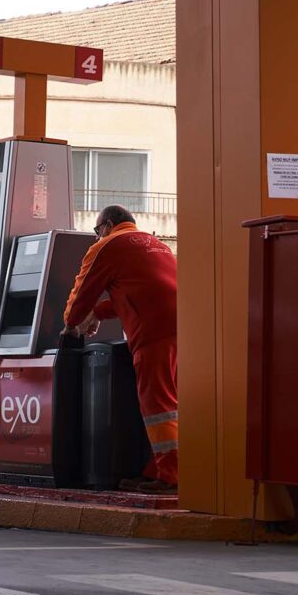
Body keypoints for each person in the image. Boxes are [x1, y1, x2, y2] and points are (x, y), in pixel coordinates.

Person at [62, 204, 178, 494]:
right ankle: (157, 470)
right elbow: (139, 291)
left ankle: (172, 477)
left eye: (96, 231)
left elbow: (81, 292)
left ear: (107, 225)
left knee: (158, 406)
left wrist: (72, 323)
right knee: (171, 404)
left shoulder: (108, 245)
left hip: (154, 334)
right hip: (186, 328)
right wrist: (98, 314)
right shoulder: (157, 245)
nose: (96, 237)